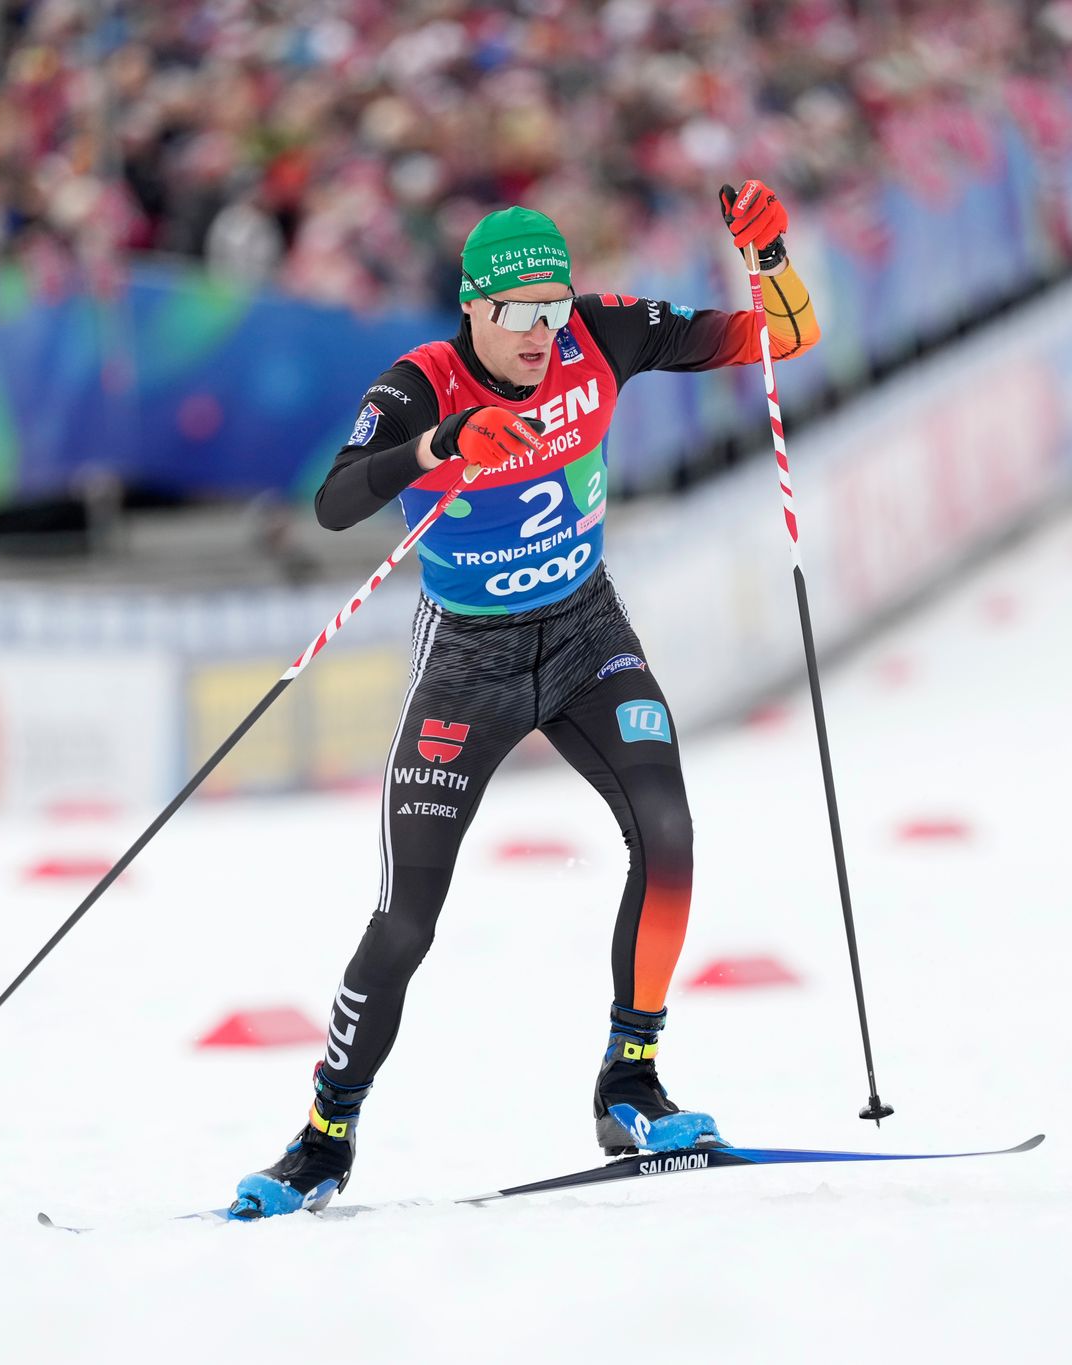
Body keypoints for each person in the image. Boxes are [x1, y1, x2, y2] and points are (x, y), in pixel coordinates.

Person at [232, 182, 822, 1218]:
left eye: (553, 307)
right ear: (473, 308)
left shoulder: (606, 332)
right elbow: (334, 503)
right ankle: (324, 1134)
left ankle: (630, 1082)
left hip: (588, 634)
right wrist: (443, 446)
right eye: (518, 313)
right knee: (407, 917)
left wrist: (770, 260)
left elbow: (786, 339)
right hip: (470, 661)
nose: (541, 332)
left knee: (669, 836)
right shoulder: (421, 382)